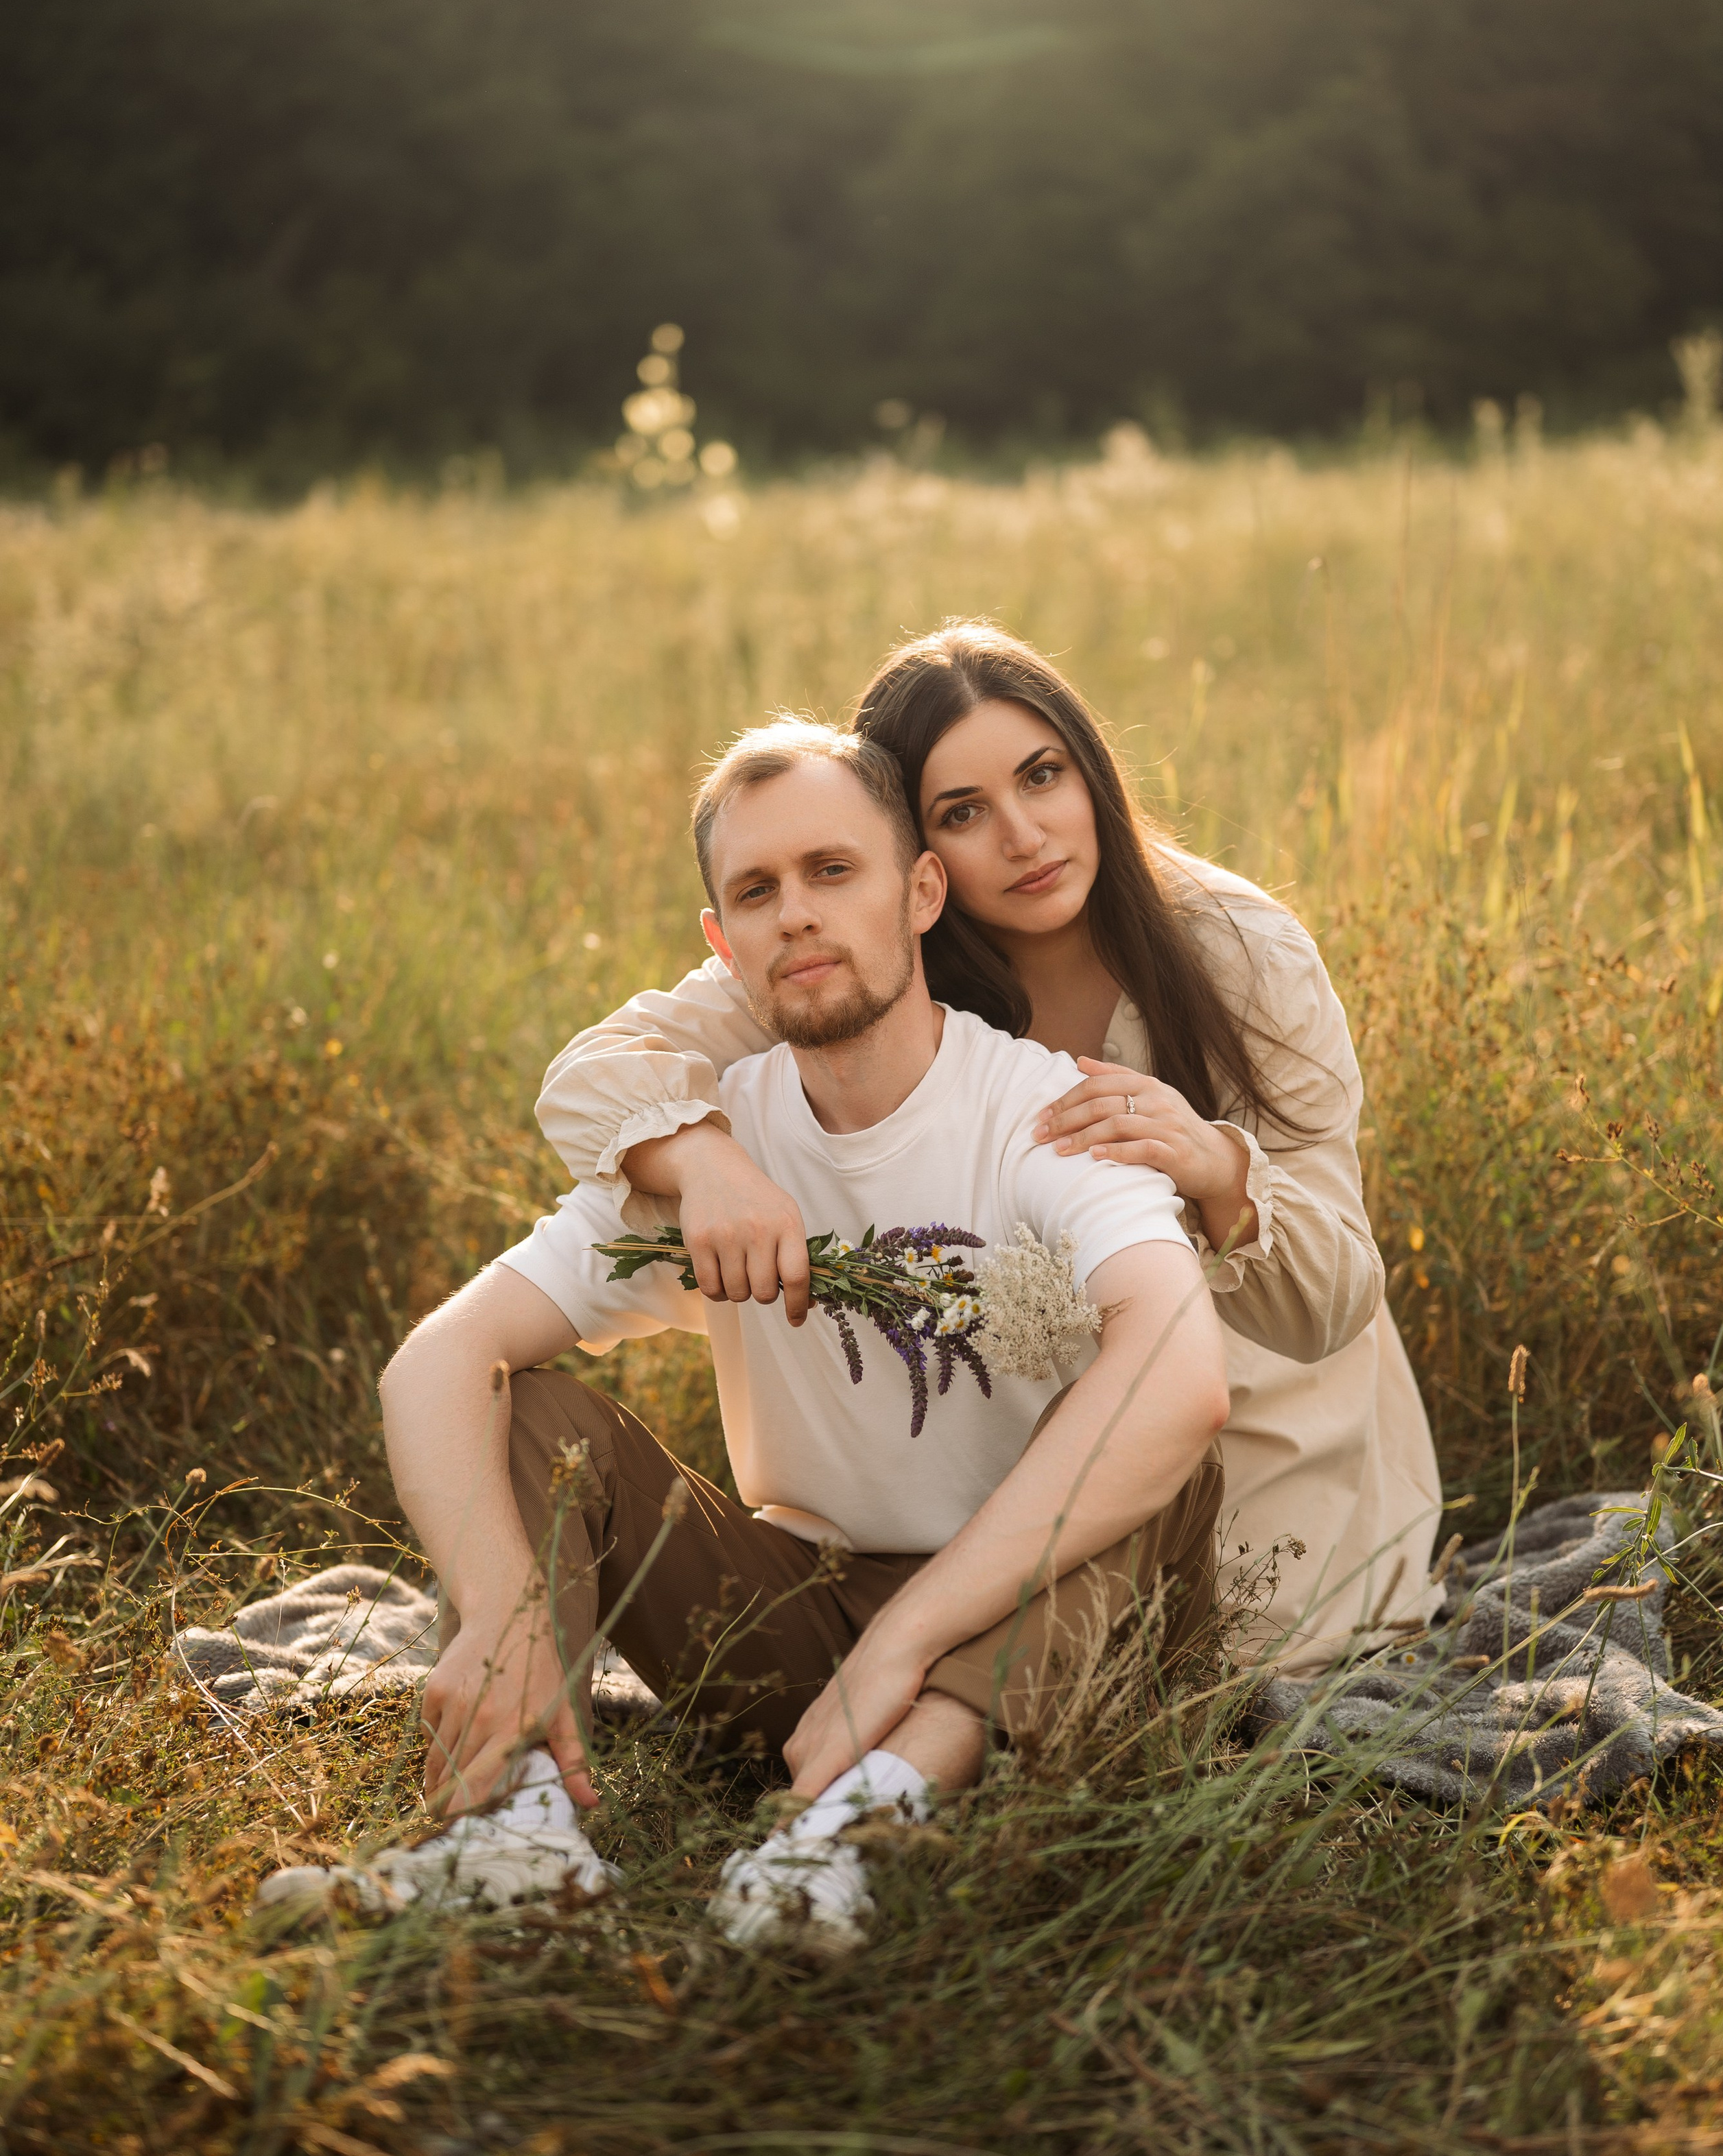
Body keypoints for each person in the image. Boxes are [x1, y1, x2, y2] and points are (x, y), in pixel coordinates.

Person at [276, 721, 1229, 1951]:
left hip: (1044, 1640)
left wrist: (909, 1640)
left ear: (921, 893)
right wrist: (504, 1617)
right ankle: (518, 1836)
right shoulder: (707, 1147)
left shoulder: (1042, 1113)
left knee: (1155, 1455)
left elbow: (1182, 1375)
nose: (798, 915)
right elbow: (438, 1360)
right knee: (532, 1414)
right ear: (722, 944)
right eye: (758, 891)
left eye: (834, 871)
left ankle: (844, 1837)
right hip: (797, 1627)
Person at [538, 624, 1441, 1669]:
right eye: (962, 812)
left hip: (1261, 1431)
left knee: (1206, 1671)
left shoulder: (1240, 952)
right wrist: (705, 1163)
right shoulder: (866, 948)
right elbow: (592, 1076)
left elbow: (1338, 1298)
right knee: (978, 1656)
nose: (1024, 836)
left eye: (1043, 776)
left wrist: (1216, 1170)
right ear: (909, 858)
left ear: (1091, 772)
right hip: (1013, 1456)